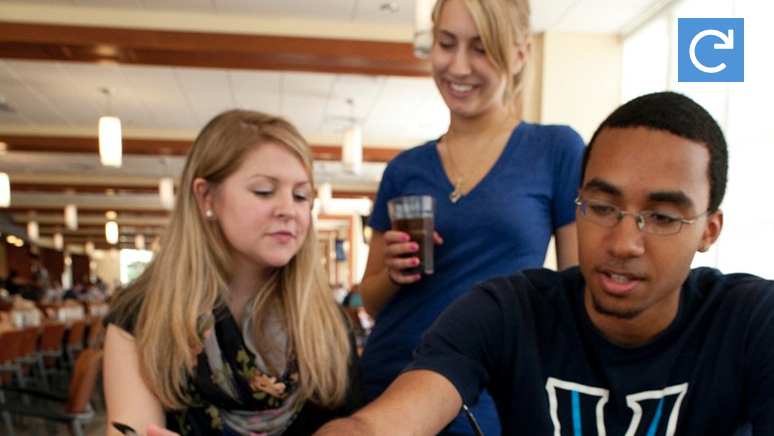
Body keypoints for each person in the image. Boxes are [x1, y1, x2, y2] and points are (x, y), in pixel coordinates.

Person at [314, 92, 774, 435]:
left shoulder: (750, 321)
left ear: (709, 230)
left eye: (662, 217)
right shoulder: (509, 310)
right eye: (602, 207)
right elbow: (386, 422)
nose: (624, 243)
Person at [358, 0, 584, 434]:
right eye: (446, 44)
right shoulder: (404, 169)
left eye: (480, 49)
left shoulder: (556, 150)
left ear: (519, 54)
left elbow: (576, 290)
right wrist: (393, 273)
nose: (458, 66)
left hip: (488, 389)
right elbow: (369, 299)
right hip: (389, 382)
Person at [104, 110, 365, 436]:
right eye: (264, 191)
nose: (289, 209)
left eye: (301, 196)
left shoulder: (327, 320)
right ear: (206, 197)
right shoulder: (140, 313)